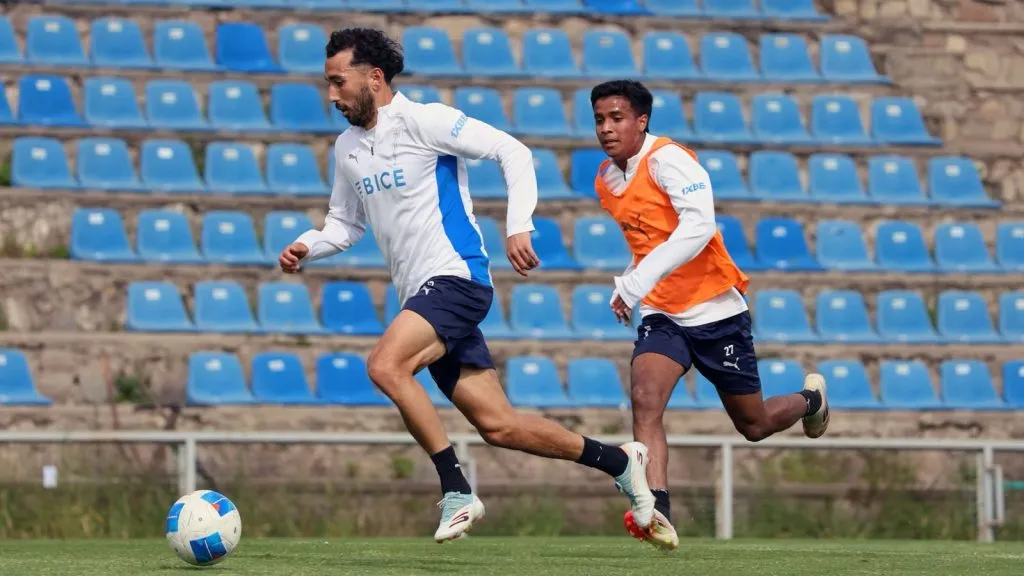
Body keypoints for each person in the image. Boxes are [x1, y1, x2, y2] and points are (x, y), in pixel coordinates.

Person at [278, 28, 657, 543]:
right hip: (423, 296)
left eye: (338, 82)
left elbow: (513, 152)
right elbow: (345, 224)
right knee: (499, 426)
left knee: (385, 365)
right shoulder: (347, 148)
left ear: (374, 77)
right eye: (327, 84)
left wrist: (518, 223)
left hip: (456, 278)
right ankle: (618, 462)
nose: (331, 95)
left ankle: (457, 489)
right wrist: (307, 245)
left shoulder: (424, 121)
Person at [588, 80, 831, 551]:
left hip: (715, 310)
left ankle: (811, 401)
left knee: (754, 424)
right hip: (663, 312)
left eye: (617, 118)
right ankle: (656, 509)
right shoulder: (607, 179)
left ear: (641, 121)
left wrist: (635, 283)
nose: (606, 128)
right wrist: (630, 284)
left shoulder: (670, 160)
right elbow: (649, 243)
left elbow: (698, 225)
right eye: (599, 119)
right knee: (645, 397)